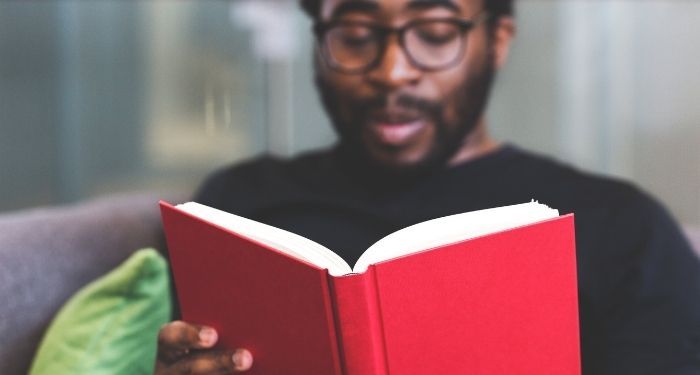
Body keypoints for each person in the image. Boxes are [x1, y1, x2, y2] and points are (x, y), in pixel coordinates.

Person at [155, 0, 700, 373]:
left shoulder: (623, 227)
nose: (392, 71)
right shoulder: (236, 206)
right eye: (356, 36)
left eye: (436, 35)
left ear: (498, 40)